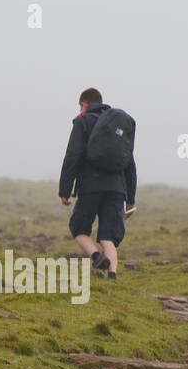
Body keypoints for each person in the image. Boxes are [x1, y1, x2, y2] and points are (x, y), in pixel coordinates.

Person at [58, 88, 136, 281]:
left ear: (84, 105)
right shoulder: (117, 126)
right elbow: (129, 163)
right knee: (108, 236)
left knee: (79, 229)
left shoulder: (83, 121)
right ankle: (112, 277)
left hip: (91, 185)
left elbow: (73, 156)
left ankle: (96, 257)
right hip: (117, 188)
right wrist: (130, 198)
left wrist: (65, 190)